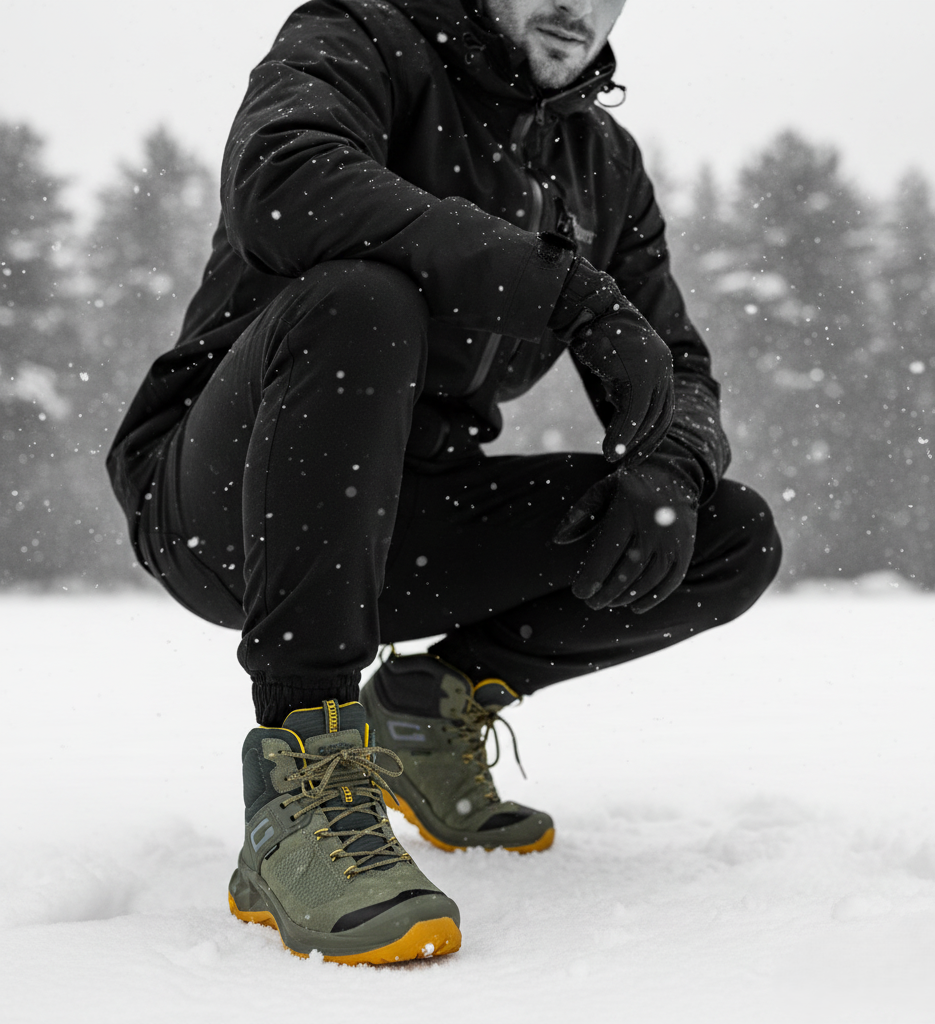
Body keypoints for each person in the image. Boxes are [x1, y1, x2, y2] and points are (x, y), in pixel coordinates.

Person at [108, 0, 781, 965]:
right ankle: (302, 785)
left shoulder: (602, 167)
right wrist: (564, 289)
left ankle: (428, 708)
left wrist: (667, 457)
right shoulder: (357, 37)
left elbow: (675, 364)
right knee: (362, 300)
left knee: (719, 528)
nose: (575, 7)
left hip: (401, 528)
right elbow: (286, 183)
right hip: (223, 512)